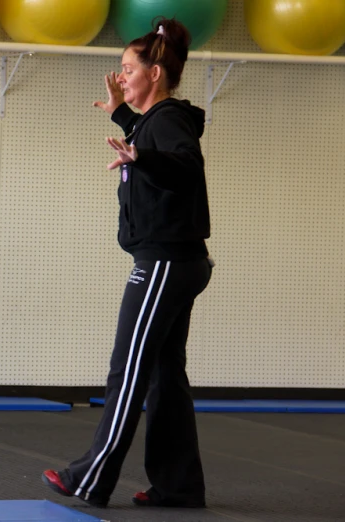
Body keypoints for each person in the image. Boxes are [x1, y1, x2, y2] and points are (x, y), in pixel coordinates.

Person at [41, 17, 213, 509]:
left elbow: (184, 167)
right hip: (175, 262)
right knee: (163, 373)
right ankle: (179, 486)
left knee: (129, 368)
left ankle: (91, 477)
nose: (120, 78)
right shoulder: (154, 122)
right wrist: (123, 118)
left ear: (155, 73)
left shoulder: (169, 121)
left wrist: (140, 155)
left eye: (127, 69)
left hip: (164, 263)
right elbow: (153, 143)